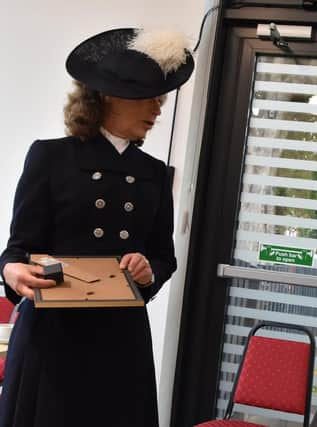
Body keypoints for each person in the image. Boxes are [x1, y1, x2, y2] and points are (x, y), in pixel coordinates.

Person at [0, 28, 194, 426]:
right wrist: (11, 270)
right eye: (147, 98)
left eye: (160, 99)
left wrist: (148, 271)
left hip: (119, 337)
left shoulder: (154, 174)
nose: (157, 110)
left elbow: (164, 256)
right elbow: (17, 249)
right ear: (108, 97)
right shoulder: (50, 157)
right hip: (53, 335)